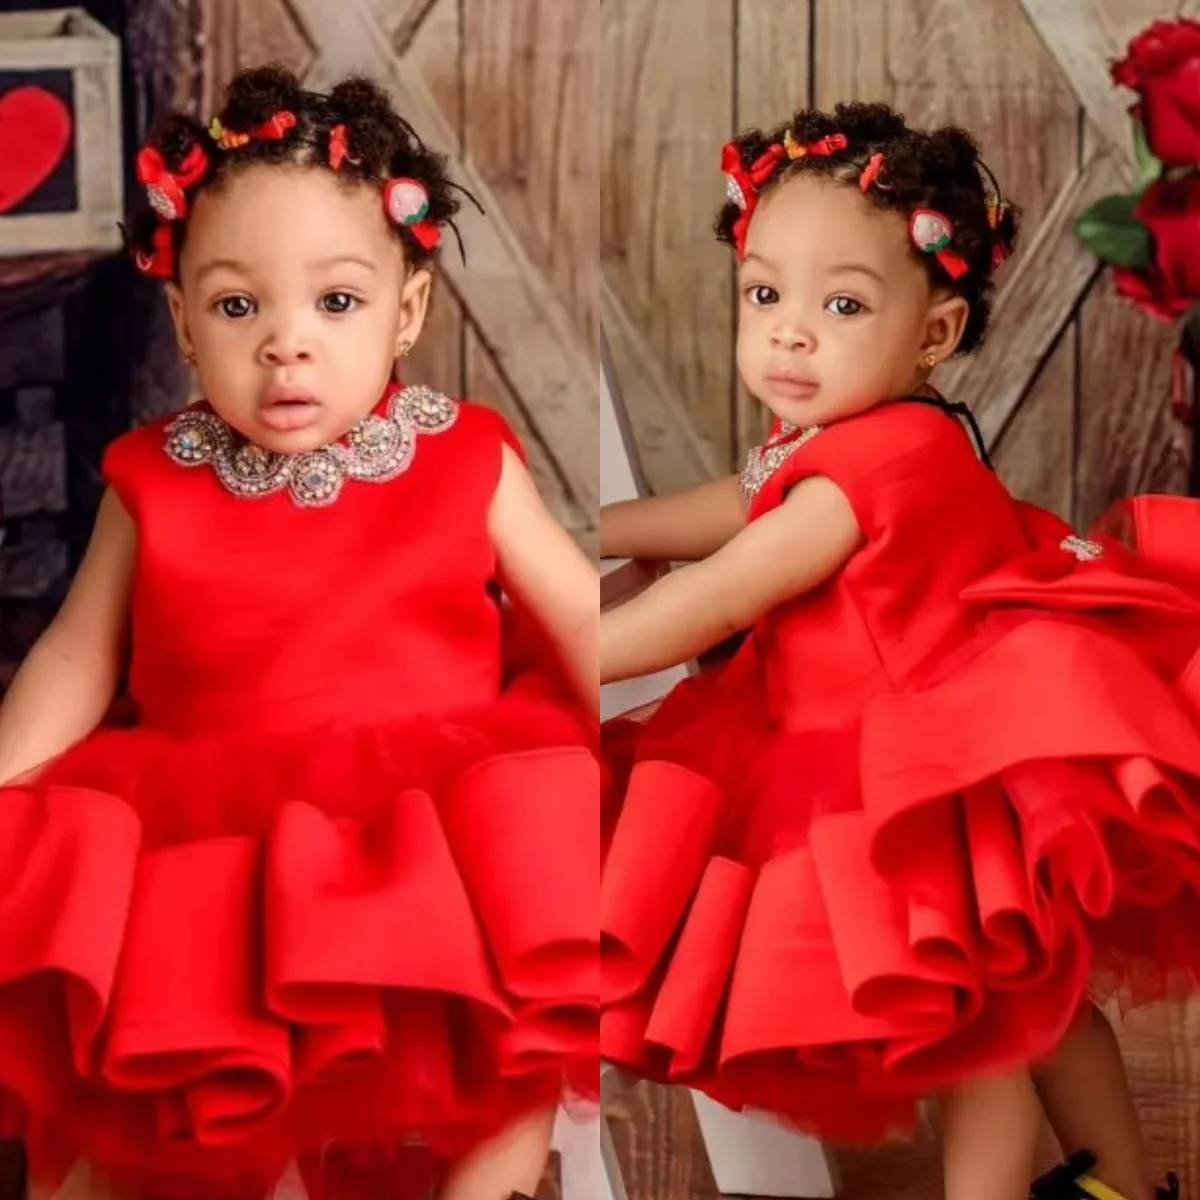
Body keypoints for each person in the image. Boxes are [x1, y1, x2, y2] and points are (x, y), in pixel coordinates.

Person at [0, 65, 599, 1200]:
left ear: (405, 310)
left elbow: (571, 607)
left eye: (335, 302)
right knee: (166, 1078)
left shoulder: (462, 455)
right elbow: (79, 655)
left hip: (421, 835)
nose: (286, 344)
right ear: (181, 318)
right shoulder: (154, 478)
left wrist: (629, 746)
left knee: (519, 1054)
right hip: (211, 840)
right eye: (238, 306)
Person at [600, 101, 1193, 1200]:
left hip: (914, 774)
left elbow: (726, 594)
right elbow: (740, 503)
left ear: (934, 333)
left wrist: (569, 646)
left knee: (987, 1040)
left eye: (841, 304)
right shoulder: (868, 433)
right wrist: (610, 527)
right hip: (939, 738)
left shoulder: (879, 462)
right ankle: (1126, 1184)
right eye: (764, 294)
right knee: (1045, 1005)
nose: (788, 331)